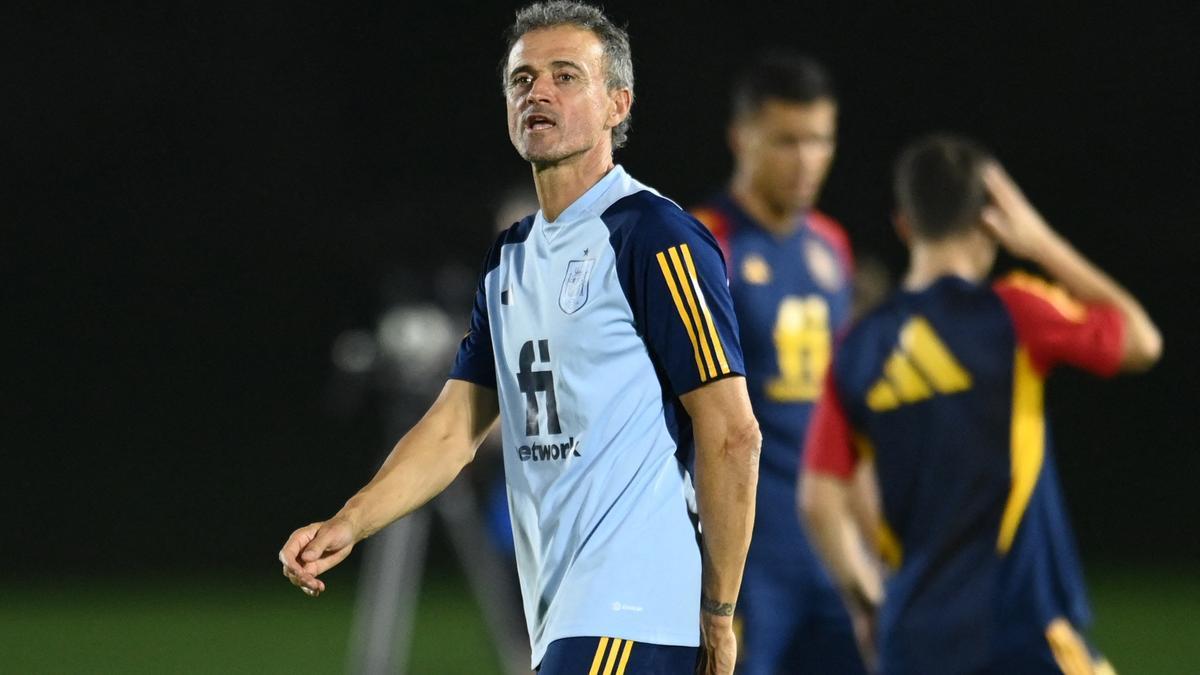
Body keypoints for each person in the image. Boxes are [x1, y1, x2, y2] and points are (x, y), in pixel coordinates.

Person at [278, 3, 761, 674]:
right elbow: (454, 427)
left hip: (632, 607)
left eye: (566, 76)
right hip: (564, 618)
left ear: (618, 103)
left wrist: (717, 611)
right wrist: (350, 521)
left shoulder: (652, 235)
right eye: (522, 79)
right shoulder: (512, 259)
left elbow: (732, 432)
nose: (538, 91)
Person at [801, 134, 1161, 674]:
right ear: (988, 220)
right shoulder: (1015, 313)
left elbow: (818, 500)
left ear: (904, 224)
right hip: (1018, 631)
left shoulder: (858, 348)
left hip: (913, 641)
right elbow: (1142, 340)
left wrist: (869, 603)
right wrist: (1040, 242)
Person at [690, 52, 869, 674]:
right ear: (743, 138)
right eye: (787, 141)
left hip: (825, 539)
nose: (807, 160)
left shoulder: (832, 246)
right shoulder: (701, 243)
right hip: (744, 550)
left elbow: (843, 406)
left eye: (820, 140)